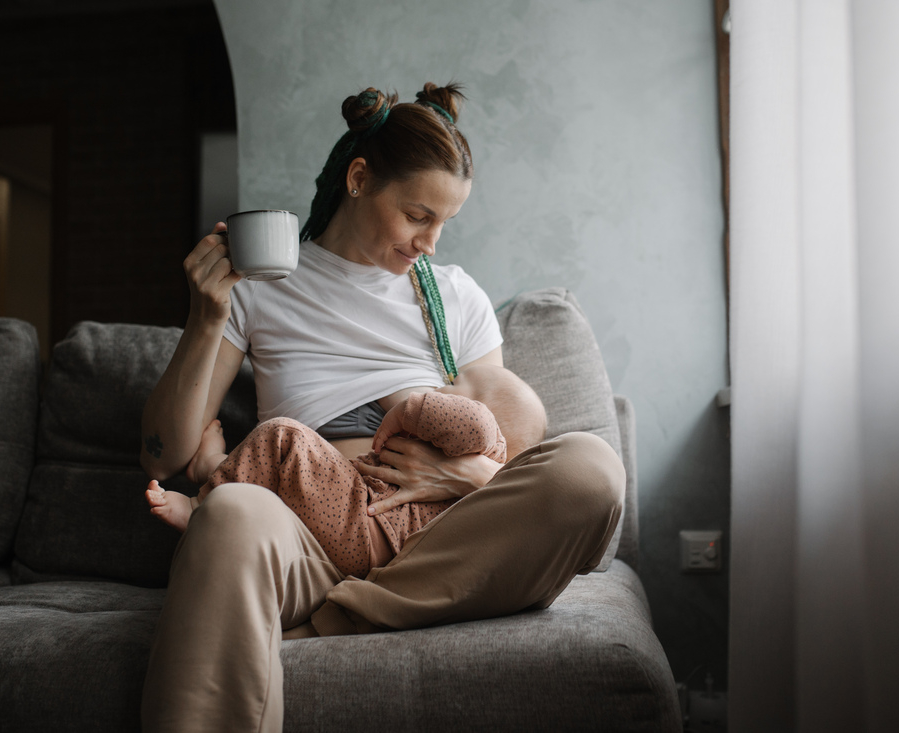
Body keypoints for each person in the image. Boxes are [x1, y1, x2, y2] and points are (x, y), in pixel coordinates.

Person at [139, 83, 625, 733]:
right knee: (227, 510)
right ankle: (355, 607)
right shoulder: (263, 287)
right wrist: (207, 317)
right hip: (312, 524)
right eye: (419, 214)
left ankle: (334, 618)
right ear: (360, 178)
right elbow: (162, 453)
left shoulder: (454, 295)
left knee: (591, 467)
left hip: (437, 534)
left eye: (446, 222)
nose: (431, 240)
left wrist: (467, 478)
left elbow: (499, 433)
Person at [144, 363, 547, 578]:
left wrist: (411, 406)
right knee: (277, 489)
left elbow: (471, 421)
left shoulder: (484, 437)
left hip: (363, 524)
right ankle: (213, 467)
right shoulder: (472, 495)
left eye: (456, 383)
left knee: (284, 436)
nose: (442, 386)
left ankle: (202, 505)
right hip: (373, 549)